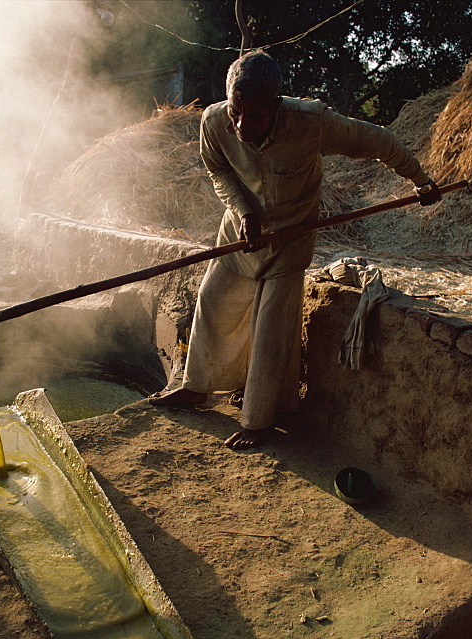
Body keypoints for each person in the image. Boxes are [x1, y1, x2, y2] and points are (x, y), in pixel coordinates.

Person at [149, 50, 441, 450]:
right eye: (236, 111)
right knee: (212, 300)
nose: (241, 124)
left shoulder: (312, 123)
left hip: (291, 236)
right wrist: (243, 211)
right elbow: (219, 170)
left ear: (276, 104)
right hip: (240, 231)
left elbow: (380, 141)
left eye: (253, 115)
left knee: (272, 327)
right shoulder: (214, 122)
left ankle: (260, 419)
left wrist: (421, 181)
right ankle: (198, 387)